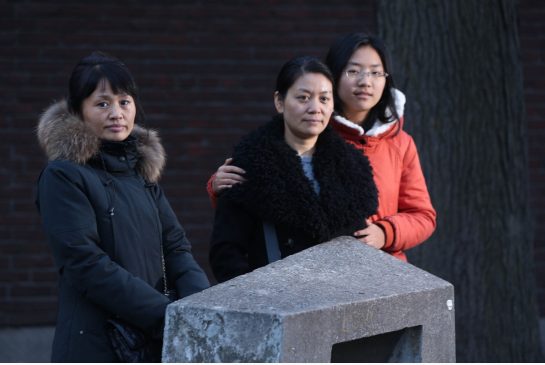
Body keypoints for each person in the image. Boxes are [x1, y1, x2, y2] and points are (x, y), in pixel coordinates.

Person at [35, 51, 210, 362]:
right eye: (102, 103)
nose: (116, 113)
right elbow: (85, 264)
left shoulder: (140, 172)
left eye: (124, 102)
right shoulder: (63, 176)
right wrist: (166, 315)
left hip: (152, 339)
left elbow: (176, 248)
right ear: (79, 111)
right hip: (98, 344)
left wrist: (202, 309)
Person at [208, 33, 436, 262]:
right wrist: (217, 186)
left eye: (376, 72)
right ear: (334, 76)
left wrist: (386, 232)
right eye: (353, 71)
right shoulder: (307, 132)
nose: (365, 81)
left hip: (385, 270)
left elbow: (423, 215)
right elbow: (253, 202)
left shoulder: (400, 142)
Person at [209, 56, 378, 283]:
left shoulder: (351, 167)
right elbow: (226, 252)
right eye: (303, 98)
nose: (315, 108)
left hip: (340, 299)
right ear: (279, 102)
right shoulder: (249, 165)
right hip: (273, 300)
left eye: (324, 99)